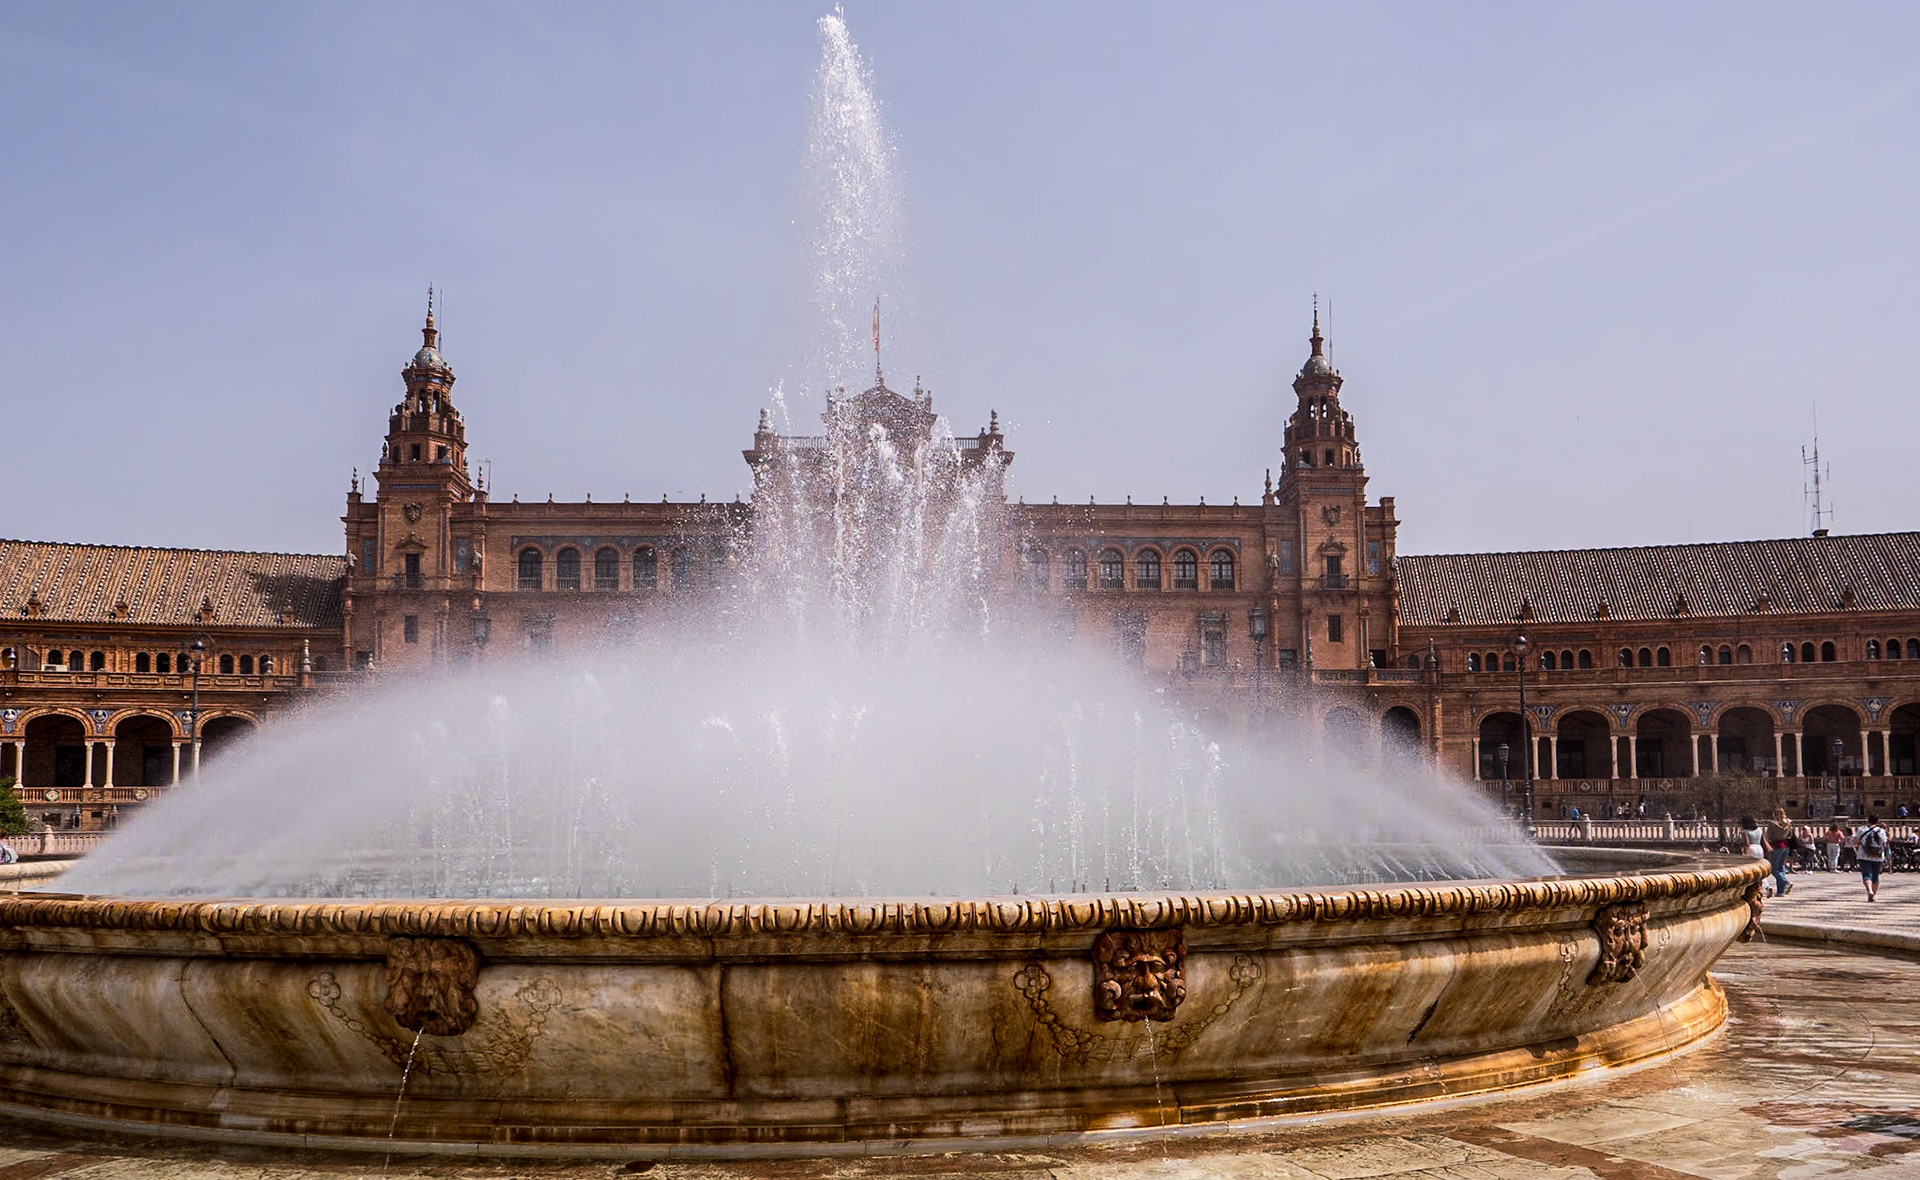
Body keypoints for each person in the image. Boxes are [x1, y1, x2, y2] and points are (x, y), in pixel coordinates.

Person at [1856, 813, 1890, 902]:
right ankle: (1874, 895)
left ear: (1868, 820)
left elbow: (1856, 841)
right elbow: (1885, 844)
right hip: (1878, 856)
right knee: (1875, 875)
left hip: (1864, 855)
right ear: (1878, 821)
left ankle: (1869, 891)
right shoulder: (1881, 831)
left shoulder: (1862, 829)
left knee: (1867, 875)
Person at [1763, 808, 1793, 896]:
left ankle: (1786, 881)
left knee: (1774, 869)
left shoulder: (1772, 823)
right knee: (1781, 869)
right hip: (1785, 845)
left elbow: (1769, 835)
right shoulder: (1788, 822)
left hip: (1776, 846)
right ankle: (1781, 891)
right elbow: (1790, 834)